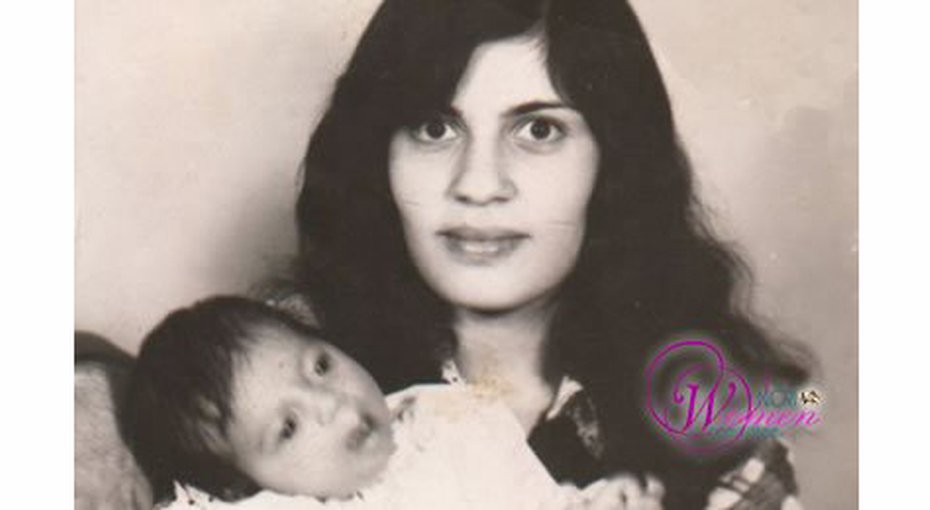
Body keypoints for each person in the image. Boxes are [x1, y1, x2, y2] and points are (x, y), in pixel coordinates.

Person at [292, 0, 810, 508]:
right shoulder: (281, 389)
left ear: (613, 162)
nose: (479, 184)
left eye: (539, 130)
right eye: (435, 128)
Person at [125, 296, 663, 509]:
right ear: (241, 484)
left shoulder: (446, 423)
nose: (329, 402)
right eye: (288, 427)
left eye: (320, 366)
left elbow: (530, 498)